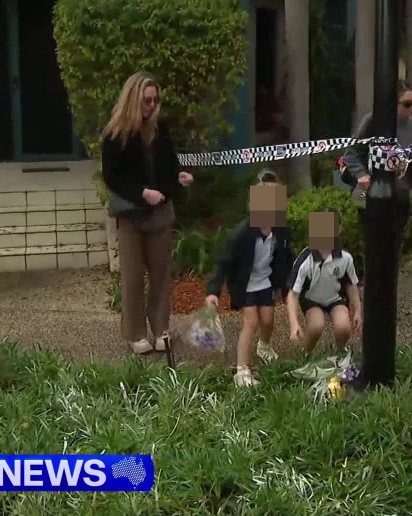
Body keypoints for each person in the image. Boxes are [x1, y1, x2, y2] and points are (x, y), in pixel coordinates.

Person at [101, 72, 194, 355]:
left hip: (160, 212)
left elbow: (169, 166)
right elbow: (112, 177)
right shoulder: (115, 134)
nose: (151, 105)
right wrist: (142, 193)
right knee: (132, 277)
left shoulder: (160, 130)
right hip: (131, 214)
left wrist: (178, 178)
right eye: (146, 100)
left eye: (155, 100)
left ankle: (161, 329)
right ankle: (135, 333)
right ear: (133, 99)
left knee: (161, 274)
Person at [205, 180, 294, 387]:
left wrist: (286, 285)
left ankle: (263, 346)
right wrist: (213, 291)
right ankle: (242, 369)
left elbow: (286, 258)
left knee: (268, 318)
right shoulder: (240, 235)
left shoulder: (281, 231)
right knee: (251, 322)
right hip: (243, 284)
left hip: (265, 280)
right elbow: (223, 262)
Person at [342, 79, 412, 238]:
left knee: (393, 244)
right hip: (370, 197)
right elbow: (351, 153)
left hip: (399, 199)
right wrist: (361, 174)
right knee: (373, 243)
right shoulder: (372, 121)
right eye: (406, 104)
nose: (411, 108)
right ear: (392, 103)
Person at [286, 209, 363, 355]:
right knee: (316, 325)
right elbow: (292, 294)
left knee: (343, 327)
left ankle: (340, 353)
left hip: (335, 298)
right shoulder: (306, 259)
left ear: (338, 229)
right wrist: (294, 323)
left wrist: (358, 310)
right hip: (312, 299)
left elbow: (351, 286)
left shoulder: (345, 258)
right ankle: (306, 353)